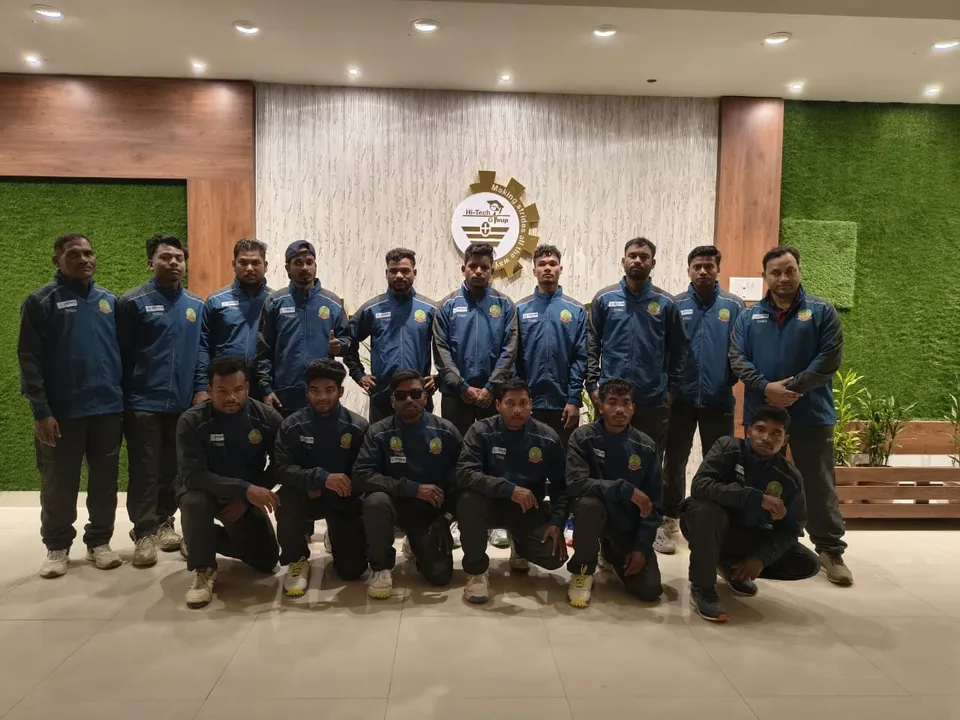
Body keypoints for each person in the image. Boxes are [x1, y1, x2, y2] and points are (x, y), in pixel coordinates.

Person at [729, 246, 853, 586]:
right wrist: (766, 388)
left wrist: (791, 390)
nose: (783, 278)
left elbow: (829, 358)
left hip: (811, 412)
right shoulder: (748, 317)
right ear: (765, 276)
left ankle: (830, 550)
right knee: (756, 483)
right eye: (775, 272)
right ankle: (753, 548)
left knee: (817, 482)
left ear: (799, 271)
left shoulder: (821, 311)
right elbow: (737, 358)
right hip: (762, 414)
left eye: (789, 271)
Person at [18, 233, 124, 578]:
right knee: (59, 484)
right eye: (74, 254)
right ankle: (57, 546)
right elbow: (29, 359)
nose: (84, 259)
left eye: (89, 253)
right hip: (62, 413)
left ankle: (99, 542)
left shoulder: (109, 301)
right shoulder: (40, 301)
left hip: (108, 409)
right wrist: (41, 411)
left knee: (105, 482)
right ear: (57, 260)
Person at [680, 405, 820, 622]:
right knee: (707, 512)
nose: (766, 438)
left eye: (776, 433)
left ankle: (731, 567)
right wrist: (756, 498)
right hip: (707, 526)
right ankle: (702, 588)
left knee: (807, 562)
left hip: (749, 534)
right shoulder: (727, 447)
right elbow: (700, 486)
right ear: (748, 431)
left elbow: (791, 529)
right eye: (760, 429)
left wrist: (761, 558)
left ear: (785, 439)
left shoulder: (790, 477)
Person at [117, 233, 203, 568]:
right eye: (165, 257)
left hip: (182, 404)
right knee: (145, 470)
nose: (173, 263)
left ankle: (165, 521)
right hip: (143, 403)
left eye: (179, 258)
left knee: (173, 468)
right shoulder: (132, 302)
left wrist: (200, 389)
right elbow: (120, 354)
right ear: (149, 263)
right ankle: (143, 532)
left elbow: (201, 353)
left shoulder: (195, 305)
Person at [176, 356, 282, 609]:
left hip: (242, 498)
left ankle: (199, 539)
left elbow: (280, 465)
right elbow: (193, 475)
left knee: (267, 560)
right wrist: (245, 490)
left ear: (248, 388)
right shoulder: (191, 421)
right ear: (209, 389)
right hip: (204, 491)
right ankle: (203, 570)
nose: (231, 397)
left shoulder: (267, 418)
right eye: (222, 391)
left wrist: (246, 499)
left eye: (238, 389)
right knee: (194, 501)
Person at [658, 245, 745, 555]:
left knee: (718, 462)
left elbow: (740, 349)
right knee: (674, 461)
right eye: (697, 266)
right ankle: (670, 517)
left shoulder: (733, 306)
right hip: (679, 400)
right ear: (689, 270)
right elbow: (666, 350)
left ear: (718, 269)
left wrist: (727, 378)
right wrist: (670, 388)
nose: (704, 271)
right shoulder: (675, 304)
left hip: (718, 399)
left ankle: (712, 519)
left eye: (709, 266)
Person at [455, 378, 568, 604]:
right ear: (498, 405)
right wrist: (509, 489)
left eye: (523, 403)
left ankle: (520, 545)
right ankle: (477, 572)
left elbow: (561, 485)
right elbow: (464, 473)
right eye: (510, 403)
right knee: (468, 500)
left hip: (527, 508)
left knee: (554, 557)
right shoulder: (480, 431)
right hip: (489, 505)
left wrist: (557, 522)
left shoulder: (547, 437)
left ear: (531, 404)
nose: (517, 410)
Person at [354, 370, 463, 598]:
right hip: (391, 505)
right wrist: (413, 489)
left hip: (427, 511)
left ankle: (416, 543)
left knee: (440, 576)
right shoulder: (378, 432)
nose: (409, 400)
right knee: (375, 502)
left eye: (415, 393)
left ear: (425, 396)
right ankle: (381, 568)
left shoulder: (446, 431)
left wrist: (447, 517)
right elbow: (362, 475)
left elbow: (460, 479)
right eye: (401, 396)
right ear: (392, 401)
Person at [273, 358, 369, 596]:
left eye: (329, 390)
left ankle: (336, 535)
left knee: (352, 571)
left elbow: (365, 472)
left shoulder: (358, 426)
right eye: (315, 391)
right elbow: (282, 469)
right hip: (306, 496)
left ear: (340, 391)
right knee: (285, 498)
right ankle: (297, 559)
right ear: (306, 392)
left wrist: (336, 486)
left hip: (343, 498)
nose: (322, 397)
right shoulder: (292, 425)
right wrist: (320, 479)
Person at [586, 237, 688, 458]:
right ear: (623, 261)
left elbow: (680, 349)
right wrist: (593, 385)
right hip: (612, 398)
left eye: (644, 257)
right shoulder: (604, 299)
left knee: (649, 462)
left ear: (653, 263)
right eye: (632, 256)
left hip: (652, 400)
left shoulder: (666, 303)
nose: (638, 260)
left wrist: (671, 391)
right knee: (606, 460)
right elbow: (591, 343)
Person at [565, 378, 663, 608]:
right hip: (594, 515)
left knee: (650, 589)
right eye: (612, 402)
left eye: (625, 403)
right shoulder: (582, 437)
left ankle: (610, 552)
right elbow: (576, 484)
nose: (620, 409)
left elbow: (654, 504)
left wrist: (641, 547)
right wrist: (624, 489)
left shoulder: (646, 447)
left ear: (633, 408)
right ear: (601, 407)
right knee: (588, 504)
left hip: (626, 523)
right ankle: (583, 571)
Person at [256, 240, 352, 416]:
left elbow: (347, 339)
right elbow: (263, 350)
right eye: (298, 263)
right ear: (288, 268)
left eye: (309, 262)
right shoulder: (275, 302)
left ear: (315, 266)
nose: (305, 268)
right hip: (283, 396)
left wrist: (340, 346)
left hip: (322, 396)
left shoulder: (332, 303)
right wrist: (266, 389)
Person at [433, 242, 518, 436]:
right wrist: (461, 386)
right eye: (473, 266)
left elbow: (510, 349)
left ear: (492, 271)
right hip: (455, 394)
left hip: (494, 394)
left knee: (495, 448)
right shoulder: (447, 305)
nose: (478, 271)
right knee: (455, 447)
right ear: (463, 269)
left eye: (484, 267)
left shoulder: (505, 305)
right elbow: (440, 350)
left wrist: (491, 387)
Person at [345, 248, 438, 423]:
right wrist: (359, 375)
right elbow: (348, 341)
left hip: (418, 395)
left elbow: (447, 347)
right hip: (382, 397)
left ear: (414, 273)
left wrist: (438, 378)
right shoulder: (371, 309)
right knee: (381, 440)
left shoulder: (430, 310)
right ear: (386, 273)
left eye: (405, 271)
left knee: (421, 440)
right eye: (394, 271)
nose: (399, 275)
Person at [515, 244, 587, 446]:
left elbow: (581, 358)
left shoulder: (576, 310)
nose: (547, 268)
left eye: (553, 263)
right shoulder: (519, 309)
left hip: (563, 404)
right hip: (529, 403)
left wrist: (574, 399)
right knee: (527, 457)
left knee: (562, 459)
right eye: (542, 264)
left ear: (560, 269)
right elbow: (513, 357)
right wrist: (519, 398)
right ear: (534, 270)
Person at [193, 239, 271, 405]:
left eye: (255, 262)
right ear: (233, 264)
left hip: (265, 389)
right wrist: (201, 387)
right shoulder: (216, 301)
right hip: (224, 386)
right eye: (243, 262)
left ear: (265, 266)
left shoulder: (275, 302)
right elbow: (203, 347)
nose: (249, 268)